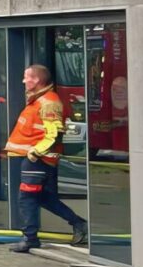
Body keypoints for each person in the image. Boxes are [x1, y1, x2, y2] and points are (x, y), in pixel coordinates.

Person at [6, 64, 88, 252]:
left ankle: (30, 238)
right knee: (42, 198)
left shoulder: (48, 103)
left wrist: (36, 152)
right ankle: (79, 224)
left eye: (26, 77)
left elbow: (53, 133)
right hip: (37, 159)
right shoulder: (40, 101)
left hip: (37, 160)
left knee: (27, 197)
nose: (23, 81)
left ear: (36, 81)